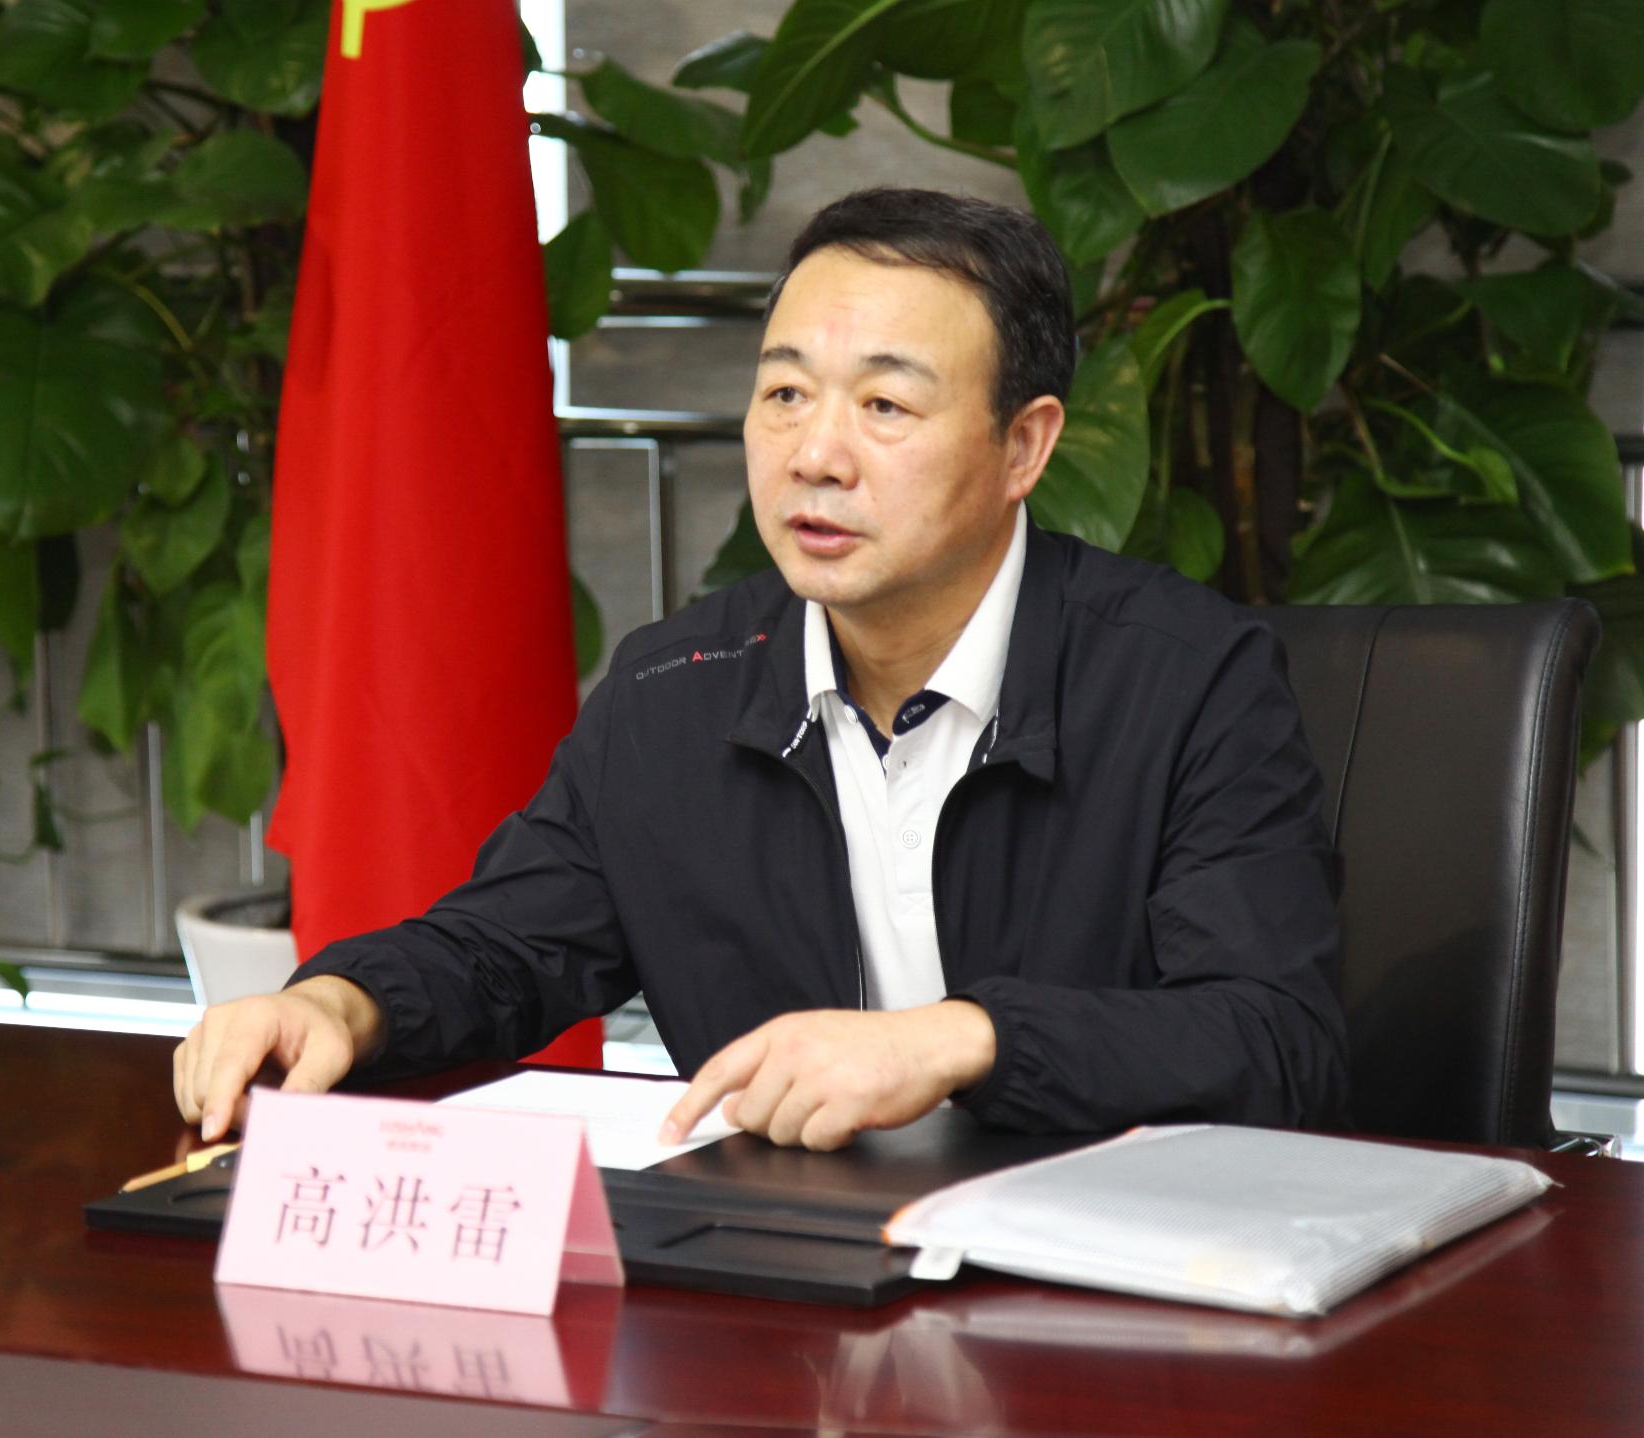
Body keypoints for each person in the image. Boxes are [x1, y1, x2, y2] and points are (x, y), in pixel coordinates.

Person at [174, 188, 1348, 1152]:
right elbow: (503, 947)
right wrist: (336, 1002)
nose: (815, 454)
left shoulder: (1187, 682)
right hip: (782, 1276)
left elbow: (1272, 1038)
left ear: (1023, 446)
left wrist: (961, 1039)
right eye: (784, 394)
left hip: (1088, 1285)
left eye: (883, 404)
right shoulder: (674, 691)